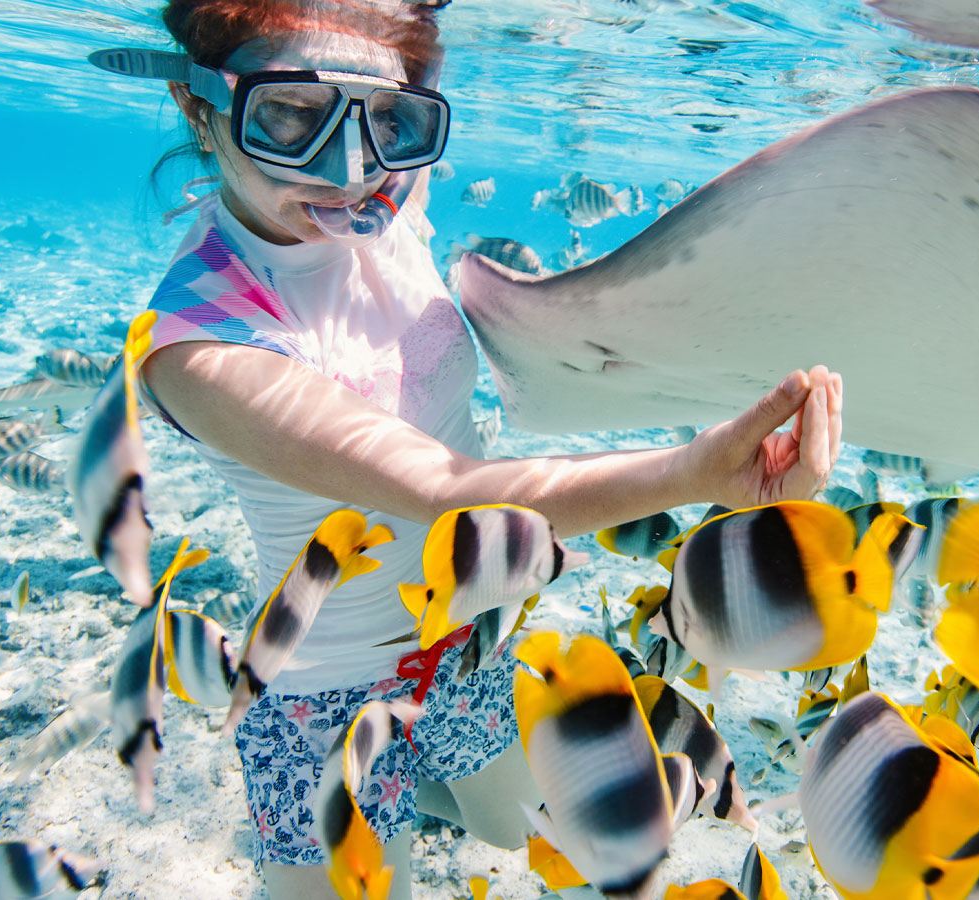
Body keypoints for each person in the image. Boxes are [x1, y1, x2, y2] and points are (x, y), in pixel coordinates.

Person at [93, 1, 844, 896]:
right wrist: (693, 473)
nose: (348, 171)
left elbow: (406, 83)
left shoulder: (388, 192)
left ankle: (416, 794)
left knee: (509, 829)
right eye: (289, 115)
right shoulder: (197, 344)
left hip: (466, 636)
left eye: (389, 121)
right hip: (320, 699)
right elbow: (447, 489)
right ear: (197, 102)